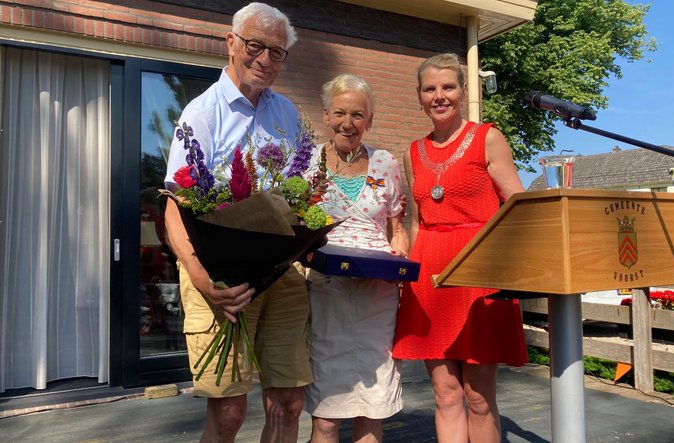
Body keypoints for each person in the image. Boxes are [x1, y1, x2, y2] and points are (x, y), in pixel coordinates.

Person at [163, 3, 310, 443]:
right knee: (228, 412)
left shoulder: (288, 116)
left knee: (289, 404)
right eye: (255, 45)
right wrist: (200, 276)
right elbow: (175, 205)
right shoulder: (201, 114)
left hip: (280, 275)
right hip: (221, 279)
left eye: (277, 52)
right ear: (230, 42)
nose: (265, 59)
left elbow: (301, 198)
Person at [392, 53, 528, 443]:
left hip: (479, 274)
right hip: (430, 278)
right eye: (430, 89)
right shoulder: (413, 152)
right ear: (419, 96)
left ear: (463, 91)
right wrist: (408, 283)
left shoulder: (488, 137)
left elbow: (516, 207)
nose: (439, 96)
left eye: (448, 87)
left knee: (478, 396)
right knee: (446, 394)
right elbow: (417, 222)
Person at [302, 74, 409, 443]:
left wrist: (400, 255)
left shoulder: (386, 162)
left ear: (370, 120)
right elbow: (293, 224)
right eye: (340, 113)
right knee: (327, 412)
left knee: (371, 408)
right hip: (326, 291)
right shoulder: (307, 160)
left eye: (358, 115)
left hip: (377, 295)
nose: (348, 123)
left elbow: (398, 227)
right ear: (326, 116)